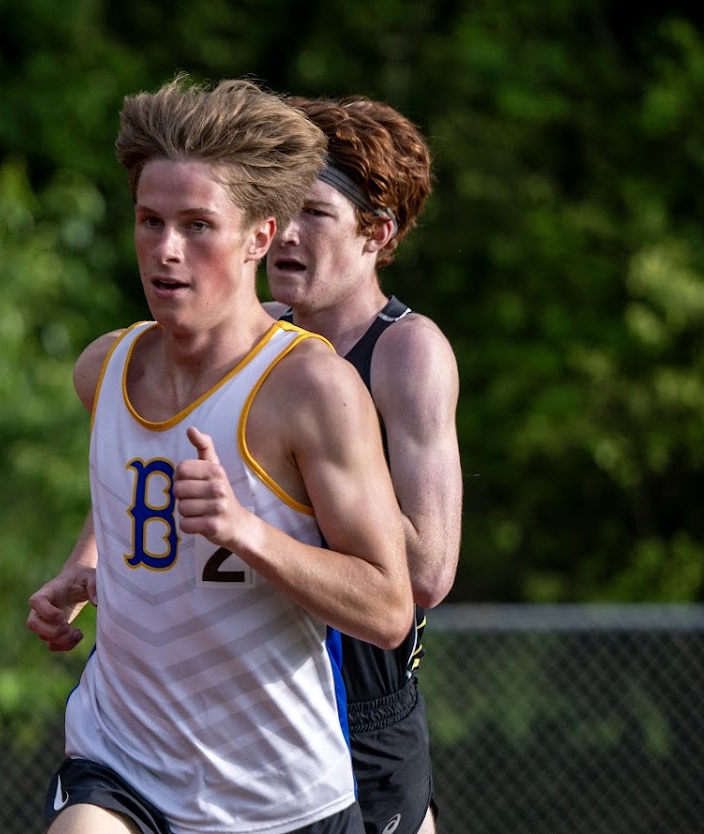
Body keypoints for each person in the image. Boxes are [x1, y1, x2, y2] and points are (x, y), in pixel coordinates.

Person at [27, 75, 413, 834]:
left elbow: (388, 607)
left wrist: (245, 530)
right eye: (150, 221)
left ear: (259, 237)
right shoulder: (104, 369)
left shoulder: (311, 390)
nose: (166, 251)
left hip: (277, 797)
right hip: (122, 761)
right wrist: (85, 567)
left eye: (198, 225)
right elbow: (127, 483)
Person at [263, 96, 462, 834]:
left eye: (313, 212)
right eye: (278, 207)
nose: (284, 232)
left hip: (364, 714)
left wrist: (324, 467)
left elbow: (429, 572)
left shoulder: (408, 351)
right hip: (259, 696)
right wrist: (89, 562)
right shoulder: (256, 340)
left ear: (376, 233)